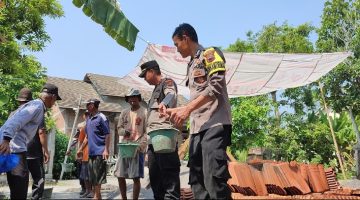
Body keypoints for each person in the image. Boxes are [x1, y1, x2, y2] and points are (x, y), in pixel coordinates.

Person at [163, 23, 232, 199]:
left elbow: (216, 87)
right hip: (196, 129)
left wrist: (187, 109)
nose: (177, 49)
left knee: (214, 179)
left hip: (215, 124)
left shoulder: (210, 54)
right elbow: (196, 100)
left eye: (177, 44)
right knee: (196, 181)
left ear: (185, 38)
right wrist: (177, 110)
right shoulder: (191, 65)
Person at [0, 83, 61, 199]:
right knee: (20, 188)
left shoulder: (31, 105)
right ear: (52, 97)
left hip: (10, 147)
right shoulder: (37, 106)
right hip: (13, 149)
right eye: (55, 100)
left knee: (16, 186)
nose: (54, 103)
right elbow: (16, 121)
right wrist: (7, 139)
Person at [138, 60, 181, 199]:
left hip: (165, 138)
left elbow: (171, 95)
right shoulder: (155, 89)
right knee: (156, 182)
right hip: (153, 141)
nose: (144, 79)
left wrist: (164, 103)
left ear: (151, 71)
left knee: (170, 183)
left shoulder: (167, 82)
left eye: (145, 75)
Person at [113, 89, 147, 200]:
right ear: (127, 100)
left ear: (139, 98)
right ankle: (124, 198)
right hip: (125, 147)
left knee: (136, 178)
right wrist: (123, 132)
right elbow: (119, 128)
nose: (132, 99)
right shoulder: (124, 112)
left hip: (137, 148)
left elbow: (147, 132)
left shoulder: (145, 112)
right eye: (130, 98)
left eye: (135, 97)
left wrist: (141, 146)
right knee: (120, 175)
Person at [77, 99, 110, 200]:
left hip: (100, 152)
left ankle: (97, 196)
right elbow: (87, 136)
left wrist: (106, 150)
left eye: (88, 104)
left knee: (98, 176)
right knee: (93, 176)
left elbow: (107, 134)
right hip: (90, 153)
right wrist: (80, 149)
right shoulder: (89, 119)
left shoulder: (101, 117)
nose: (86, 106)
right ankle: (96, 196)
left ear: (92, 105)